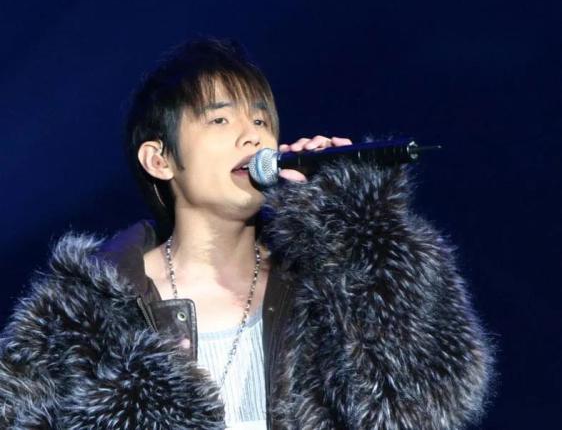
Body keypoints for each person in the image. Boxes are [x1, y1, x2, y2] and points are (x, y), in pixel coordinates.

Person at [0, 38, 494, 429]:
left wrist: (353, 225)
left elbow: (428, 403)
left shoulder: (321, 285)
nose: (253, 135)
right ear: (160, 159)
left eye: (261, 119)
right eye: (220, 119)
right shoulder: (81, 310)